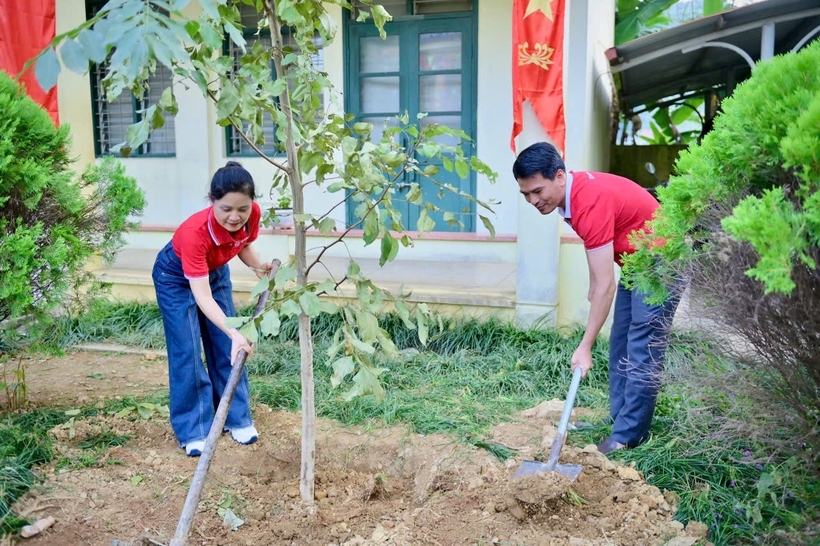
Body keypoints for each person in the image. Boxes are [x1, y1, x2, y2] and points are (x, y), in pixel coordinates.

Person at [512, 142, 681, 455]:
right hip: (638, 260)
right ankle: (620, 420)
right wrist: (595, 290)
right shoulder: (572, 200)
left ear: (559, 176)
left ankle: (628, 436)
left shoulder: (588, 202)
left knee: (642, 344)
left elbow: (606, 286)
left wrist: (585, 346)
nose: (533, 201)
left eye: (537, 191)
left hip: (661, 260)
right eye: (526, 195)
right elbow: (599, 267)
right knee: (621, 340)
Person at [152, 161, 274, 457]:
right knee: (188, 350)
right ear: (212, 201)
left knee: (225, 347)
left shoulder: (251, 214)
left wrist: (257, 265)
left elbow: (241, 243)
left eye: (242, 209)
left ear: (251, 204)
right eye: (226, 209)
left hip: (215, 271)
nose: (235, 216)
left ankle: (236, 419)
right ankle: (194, 428)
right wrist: (235, 331)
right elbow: (203, 299)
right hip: (176, 279)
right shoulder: (195, 233)